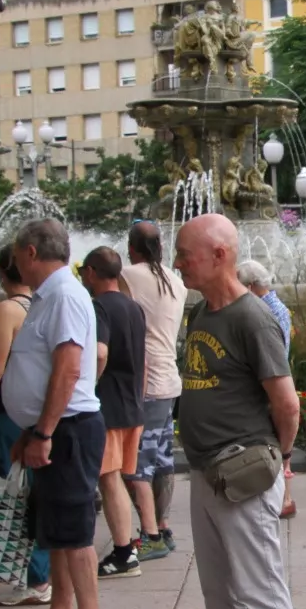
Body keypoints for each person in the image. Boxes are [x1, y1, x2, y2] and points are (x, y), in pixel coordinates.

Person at [171, 213, 301, 609]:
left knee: (260, 586)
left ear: (220, 255)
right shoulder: (201, 313)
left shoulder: (252, 318)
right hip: (205, 470)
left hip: (243, 472)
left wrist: (277, 461)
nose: (177, 263)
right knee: (218, 586)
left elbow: (286, 404)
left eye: (185, 254)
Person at [2, 218, 114, 609]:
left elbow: (68, 368)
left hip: (68, 428)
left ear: (30, 253)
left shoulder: (64, 295)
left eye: (15, 255)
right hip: (56, 428)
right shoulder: (51, 297)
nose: (12, 264)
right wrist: (33, 429)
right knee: (58, 529)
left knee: (74, 530)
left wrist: (44, 431)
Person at [0, 246, 50, 607]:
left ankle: (34, 578)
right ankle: (38, 573)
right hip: (30, 409)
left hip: (3, 410)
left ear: (4, 272)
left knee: (9, 489)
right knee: (31, 489)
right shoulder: (40, 303)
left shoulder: (8, 309)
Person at [80, 248, 148, 580]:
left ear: (92, 272)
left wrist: (86, 386)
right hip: (133, 404)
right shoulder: (133, 308)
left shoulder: (99, 307)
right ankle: (127, 546)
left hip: (108, 405)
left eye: (82, 270)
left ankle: (124, 553)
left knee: (109, 480)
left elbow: (99, 353)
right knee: (118, 477)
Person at [119, 221, 185, 560]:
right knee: (162, 457)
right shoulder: (176, 281)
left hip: (143, 381)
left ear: (131, 248)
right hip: (169, 380)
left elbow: (123, 326)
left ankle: (151, 535)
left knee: (136, 463)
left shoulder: (127, 276)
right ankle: (163, 524)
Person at [239, 259, 297, 517]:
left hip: (270, 383)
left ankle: (283, 498)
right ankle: (284, 497)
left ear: (251, 286)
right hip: (275, 380)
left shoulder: (265, 311)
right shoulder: (275, 307)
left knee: (275, 444)